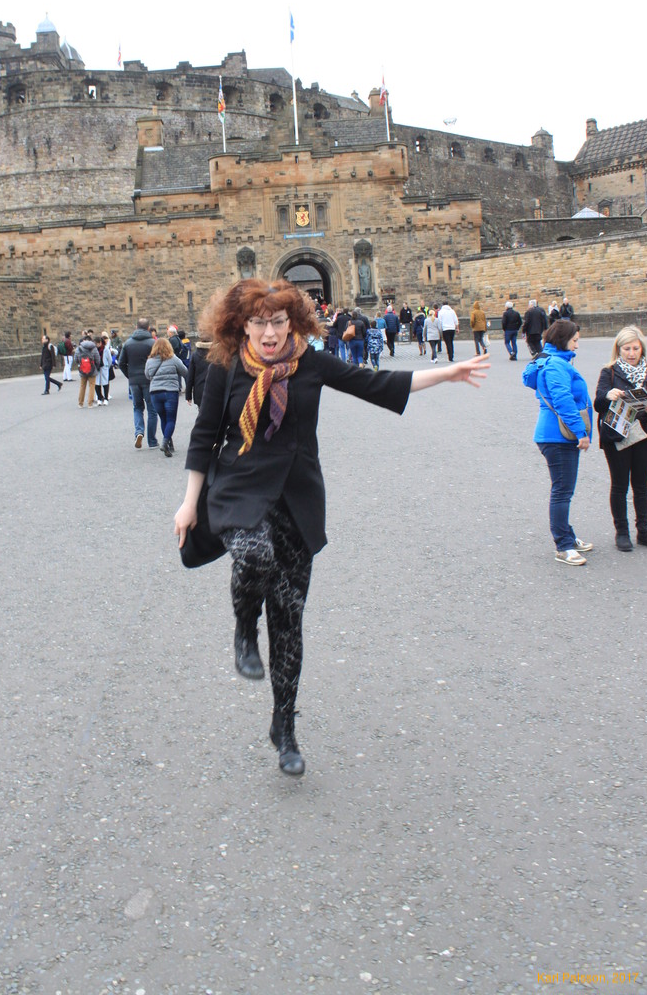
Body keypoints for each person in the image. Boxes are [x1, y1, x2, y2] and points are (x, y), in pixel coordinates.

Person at [173, 279, 489, 778]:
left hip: (296, 498)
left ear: (292, 323)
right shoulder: (226, 366)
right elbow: (204, 436)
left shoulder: (312, 364)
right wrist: (189, 504)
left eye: (278, 322)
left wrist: (447, 372)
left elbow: (375, 383)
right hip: (238, 490)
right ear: (242, 325)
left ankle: (284, 727)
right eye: (258, 323)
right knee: (254, 558)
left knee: (290, 618)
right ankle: (242, 630)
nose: (269, 332)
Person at [523, 319, 593, 566]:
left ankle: (568, 537)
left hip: (553, 435)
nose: (577, 345)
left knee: (564, 489)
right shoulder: (556, 365)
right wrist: (581, 432)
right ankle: (563, 545)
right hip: (559, 436)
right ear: (563, 340)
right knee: (562, 491)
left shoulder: (551, 360)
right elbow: (562, 400)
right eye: (575, 340)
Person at [593, 326, 647, 552]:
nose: (631, 353)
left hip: (644, 435)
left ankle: (644, 531)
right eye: (626, 348)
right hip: (617, 435)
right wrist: (609, 395)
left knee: (641, 485)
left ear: (641, 349)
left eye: (635, 348)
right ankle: (622, 532)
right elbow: (598, 403)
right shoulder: (610, 372)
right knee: (619, 485)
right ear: (618, 349)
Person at [118, 318, 159, 448]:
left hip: (134, 381)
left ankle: (139, 432)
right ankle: (152, 440)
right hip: (149, 380)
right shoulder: (152, 343)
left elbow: (121, 363)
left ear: (136, 327)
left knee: (137, 408)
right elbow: (158, 361)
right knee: (152, 410)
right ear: (148, 328)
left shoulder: (128, 343)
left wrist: (129, 375)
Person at [146, 337, 189, 456]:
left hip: (155, 392)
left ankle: (169, 443)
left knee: (163, 418)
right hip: (170, 392)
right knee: (171, 419)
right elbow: (185, 371)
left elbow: (148, 375)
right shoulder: (173, 359)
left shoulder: (149, 361)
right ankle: (165, 442)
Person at [74, 330, 101, 408]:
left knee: (82, 386)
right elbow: (97, 359)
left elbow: (76, 359)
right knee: (92, 386)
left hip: (82, 370)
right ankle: (90, 403)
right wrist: (96, 366)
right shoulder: (94, 348)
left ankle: (80, 403)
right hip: (92, 369)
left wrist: (80, 364)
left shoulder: (79, 348)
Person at [186, 338, 213, 408]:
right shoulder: (217, 354)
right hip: (215, 390)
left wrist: (188, 395)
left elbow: (190, 376)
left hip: (199, 390)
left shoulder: (195, 355)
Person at [95, 332, 115, 405]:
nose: (96, 345)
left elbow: (109, 360)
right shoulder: (94, 349)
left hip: (104, 367)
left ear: (100, 342)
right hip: (97, 368)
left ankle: (106, 398)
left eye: (97, 343)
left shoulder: (105, 349)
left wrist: (107, 366)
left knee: (105, 383)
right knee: (97, 383)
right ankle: (99, 398)